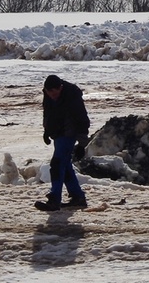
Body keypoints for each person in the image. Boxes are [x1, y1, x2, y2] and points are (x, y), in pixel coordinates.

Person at [36, 74, 91, 211]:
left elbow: (82, 119)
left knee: (57, 163)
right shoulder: (47, 94)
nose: (53, 96)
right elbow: (47, 113)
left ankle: (54, 199)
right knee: (65, 166)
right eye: (50, 93)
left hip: (69, 133)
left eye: (55, 93)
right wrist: (47, 131)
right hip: (58, 134)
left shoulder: (72, 95)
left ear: (60, 87)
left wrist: (82, 144)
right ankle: (78, 197)